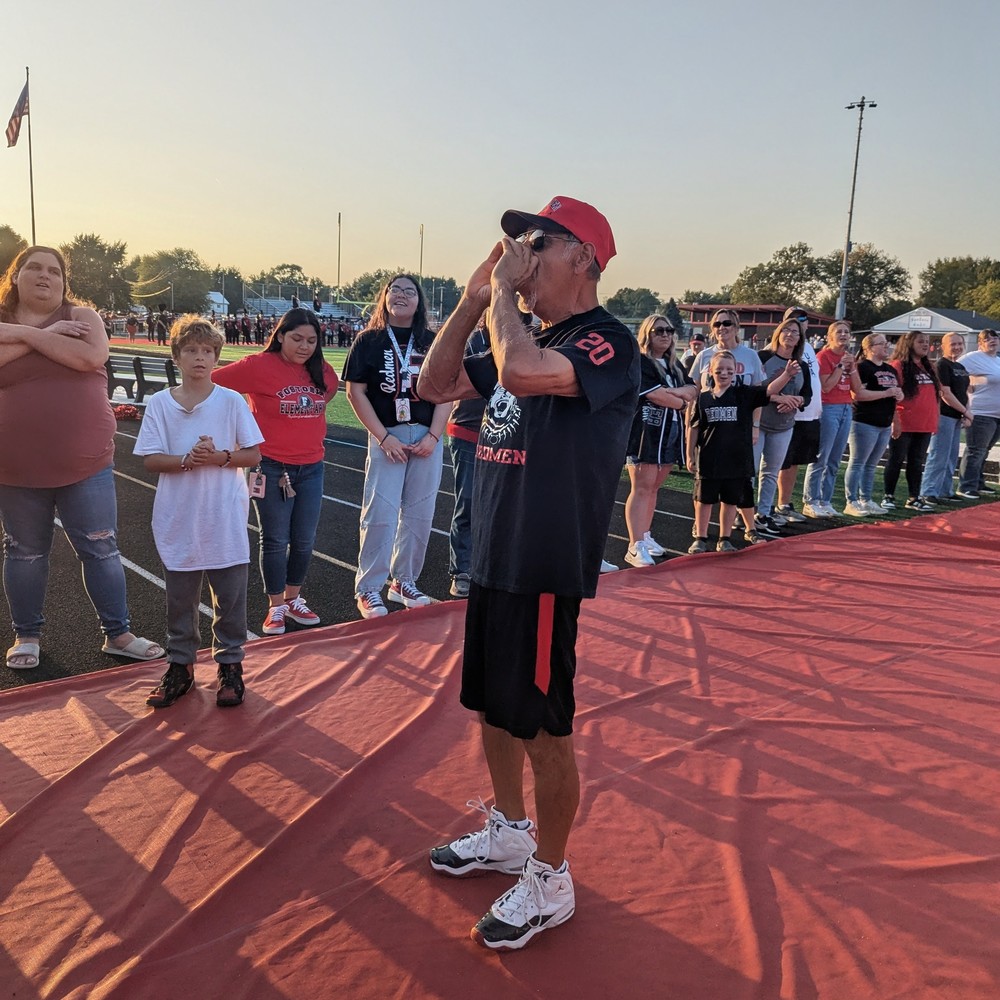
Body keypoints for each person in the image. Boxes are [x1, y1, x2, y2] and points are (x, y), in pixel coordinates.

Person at [417, 196, 639, 950]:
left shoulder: (606, 342)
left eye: (535, 244)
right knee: (493, 708)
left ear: (582, 258)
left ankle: (550, 875)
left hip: (543, 565)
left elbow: (520, 370)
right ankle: (509, 832)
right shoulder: (524, 326)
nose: (520, 255)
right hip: (493, 557)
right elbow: (435, 384)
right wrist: (475, 298)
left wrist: (502, 308)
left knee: (543, 726)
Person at [0, 246, 163, 669]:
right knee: (24, 552)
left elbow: (90, 357)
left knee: (101, 549)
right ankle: (27, 636)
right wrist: (48, 337)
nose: (44, 276)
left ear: (63, 281)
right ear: (15, 276)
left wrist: (22, 337)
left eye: (54, 270)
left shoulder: (84, 318)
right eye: (33, 268)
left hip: (85, 463)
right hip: (15, 466)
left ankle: (118, 633)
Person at [134, 317, 263, 708]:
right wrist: (189, 460)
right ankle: (181, 666)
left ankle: (230, 664)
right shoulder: (159, 404)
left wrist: (220, 457)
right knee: (180, 598)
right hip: (178, 516)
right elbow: (151, 460)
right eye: (191, 350)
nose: (200, 357)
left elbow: (253, 453)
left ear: (217, 357)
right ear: (176, 356)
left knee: (230, 598)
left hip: (223, 515)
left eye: (207, 351)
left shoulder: (231, 401)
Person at [212, 308, 338, 634]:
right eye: (297, 338)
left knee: (304, 540)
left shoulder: (323, 372)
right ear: (280, 335)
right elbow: (211, 384)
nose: (304, 346)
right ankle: (276, 606)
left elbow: (326, 397)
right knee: (275, 539)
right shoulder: (258, 366)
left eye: (312, 340)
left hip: (312, 467)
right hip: (269, 467)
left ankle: (295, 599)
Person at [342, 274, 449, 618]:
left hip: (425, 436)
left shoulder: (433, 340)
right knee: (381, 514)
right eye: (395, 290)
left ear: (419, 302)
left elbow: (447, 391)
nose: (402, 295)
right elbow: (355, 392)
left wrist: (434, 436)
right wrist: (382, 437)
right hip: (387, 435)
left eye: (410, 291)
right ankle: (369, 588)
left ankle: (404, 581)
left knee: (420, 514)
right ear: (384, 298)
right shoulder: (368, 340)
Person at [687, 350, 799, 553]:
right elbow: (694, 428)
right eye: (719, 369)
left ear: (736, 372)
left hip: (737, 459)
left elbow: (769, 389)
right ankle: (701, 538)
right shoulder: (702, 399)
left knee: (730, 501)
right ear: (710, 371)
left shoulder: (744, 394)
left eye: (729, 370)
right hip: (708, 459)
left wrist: (787, 375)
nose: (724, 373)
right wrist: (689, 455)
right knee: (704, 501)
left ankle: (724, 538)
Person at [623, 314, 696, 566]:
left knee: (654, 488)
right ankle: (634, 544)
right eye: (658, 331)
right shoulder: (640, 362)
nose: (665, 335)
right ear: (647, 334)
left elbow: (693, 389)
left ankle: (645, 534)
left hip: (670, 431)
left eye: (668, 330)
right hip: (646, 431)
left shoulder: (675, 365)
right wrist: (679, 400)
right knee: (642, 487)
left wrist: (675, 395)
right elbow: (655, 395)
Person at [445, 321, 489, 598]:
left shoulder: (526, 337)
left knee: (501, 504)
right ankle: (461, 570)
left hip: (506, 433)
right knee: (470, 502)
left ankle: (487, 565)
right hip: (469, 430)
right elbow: (459, 380)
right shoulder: (473, 339)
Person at [752, 319, 808, 535]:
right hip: (760, 422)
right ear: (777, 333)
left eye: (795, 332)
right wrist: (777, 398)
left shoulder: (801, 365)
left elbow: (808, 395)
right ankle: (744, 512)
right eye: (785, 330)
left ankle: (764, 514)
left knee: (771, 472)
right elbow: (755, 390)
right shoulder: (763, 357)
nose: (790, 334)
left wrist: (796, 401)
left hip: (784, 425)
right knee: (752, 470)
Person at [842, 334, 904, 516]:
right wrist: (887, 393)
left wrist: (897, 397)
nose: (887, 346)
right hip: (864, 421)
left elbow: (894, 395)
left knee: (871, 465)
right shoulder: (862, 367)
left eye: (887, 343)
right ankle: (851, 501)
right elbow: (858, 395)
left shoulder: (890, 369)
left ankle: (866, 499)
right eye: (882, 344)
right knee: (857, 462)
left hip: (884, 422)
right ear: (869, 348)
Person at [802, 321, 855, 518]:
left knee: (835, 459)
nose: (843, 335)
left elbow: (855, 387)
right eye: (839, 332)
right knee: (821, 457)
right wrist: (841, 366)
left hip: (846, 407)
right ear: (830, 337)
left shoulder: (849, 357)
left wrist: (852, 366)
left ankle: (825, 500)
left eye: (846, 332)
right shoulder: (823, 357)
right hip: (829, 407)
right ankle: (811, 500)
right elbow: (826, 386)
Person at [882, 331, 940, 511]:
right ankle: (888, 496)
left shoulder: (929, 366)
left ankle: (914, 497)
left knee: (917, 462)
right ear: (909, 344)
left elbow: (935, 396)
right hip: (904, 421)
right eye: (920, 341)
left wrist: (934, 419)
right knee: (896, 460)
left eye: (927, 342)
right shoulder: (897, 366)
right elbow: (891, 397)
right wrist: (895, 420)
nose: (925, 345)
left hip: (924, 423)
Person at [775, 307, 821, 525]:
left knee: (794, 463)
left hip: (807, 413)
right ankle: (768, 506)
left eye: (801, 320)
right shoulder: (776, 349)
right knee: (778, 463)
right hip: (785, 413)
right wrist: (784, 400)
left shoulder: (809, 348)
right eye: (790, 323)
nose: (795, 327)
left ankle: (784, 503)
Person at [919, 333, 972, 502]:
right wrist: (966, 411)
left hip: (957, 416)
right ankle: (928, 491)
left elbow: (965, 392)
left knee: (951, 455)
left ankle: (945, 490)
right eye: (952, 344)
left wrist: (966, 412)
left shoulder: (961, 367)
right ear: (943, 346)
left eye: (959, 343)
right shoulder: (941, 365)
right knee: (939, 455)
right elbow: (945, 393)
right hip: (944, 415)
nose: (956, 347)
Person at [956, 329, 1000, 499]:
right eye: (987, 339)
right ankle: (966, 485)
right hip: (981, 412)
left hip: (997, 414)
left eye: (995, 338)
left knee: (985, 450)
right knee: (976, 450)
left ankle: (978, 483)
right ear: (980, 343)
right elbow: (955, 372)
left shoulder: (997, 360)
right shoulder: (973, 357)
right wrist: (967, 386)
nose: (992, 341)